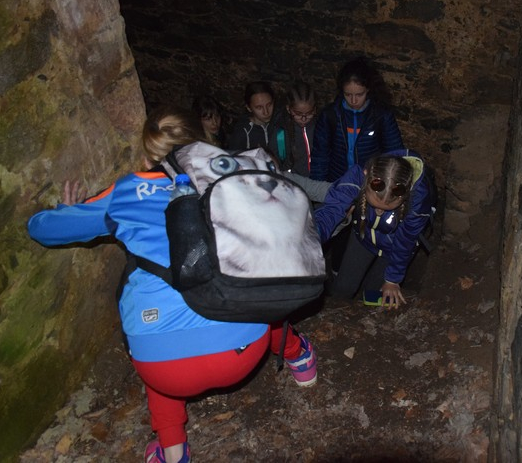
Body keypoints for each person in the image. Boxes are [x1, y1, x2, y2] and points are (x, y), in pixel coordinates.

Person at [27, 106, 317, 463]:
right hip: (243, 350)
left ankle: (173, 449)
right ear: (203, 140)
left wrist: (66, 211)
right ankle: (299, 357)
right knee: (253, 286)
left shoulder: (126, 191)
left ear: (148, 155)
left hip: (164, 368)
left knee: (154, 322)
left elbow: (41, 230)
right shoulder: (236, 176)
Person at [314, 150, 435, 309]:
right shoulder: (358, 176)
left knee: (373, 290)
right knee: (343, 287)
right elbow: (333, 209)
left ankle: (362, 314)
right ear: (366, 177)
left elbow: (406, 240)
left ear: (405, 195)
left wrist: (392, 279)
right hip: (362, 236)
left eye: (387, 209)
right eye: (375, 205)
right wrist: (313, 235)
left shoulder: (418, 200)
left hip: (392, 248)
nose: (379, 212)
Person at [310, 57, 404, 183]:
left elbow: (394, 154)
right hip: (337, 182)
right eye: (348, 95)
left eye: (359, 94)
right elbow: (320, 157)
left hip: (370, 183)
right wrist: (318, 187)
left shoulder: (381, 116)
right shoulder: (330, 115)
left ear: (368, 90)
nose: (353, 101)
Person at [226, 81, 283, 155]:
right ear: (249, 108)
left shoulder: (281, 123)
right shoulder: (242, 132)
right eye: (259, 107)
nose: (266, 112)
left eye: (269, 105)